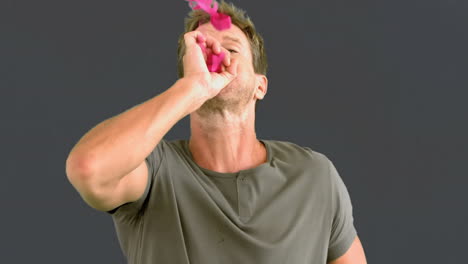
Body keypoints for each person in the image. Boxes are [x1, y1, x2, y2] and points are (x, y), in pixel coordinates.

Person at [65, 1, 367, 263]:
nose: (218, 55)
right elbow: (88, 167)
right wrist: (193, 88)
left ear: (260, 86)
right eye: (203, 49)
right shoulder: (152, 172)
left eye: (232, 48)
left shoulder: (313, 176)